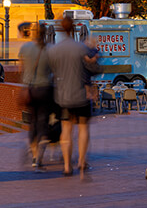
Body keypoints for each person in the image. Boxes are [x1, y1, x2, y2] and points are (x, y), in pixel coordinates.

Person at [48, 15, 100, 179]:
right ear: (74, 29)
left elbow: (52, 72)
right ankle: (82, 162)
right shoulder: (81, 48)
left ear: (61, 29)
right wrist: (93, 62)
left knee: (66, 129)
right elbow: (93, 70)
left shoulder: (54, 50)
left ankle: (66, 166)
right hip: (80, 94)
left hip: (62, 95)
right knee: (83, 127)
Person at [18, 22, 53, 170]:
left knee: (32, 123)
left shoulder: (25, 48)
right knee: (43, 121)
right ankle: (40, 153)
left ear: (32, 33)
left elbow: (21, 69)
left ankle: (33, 155)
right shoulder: (51, 49)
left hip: (30, 89)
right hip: (45, 89)